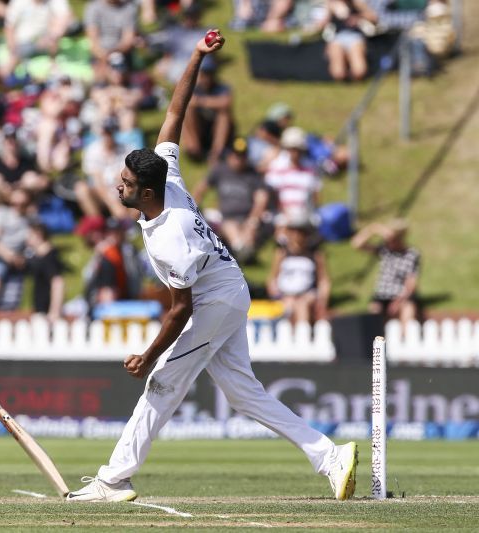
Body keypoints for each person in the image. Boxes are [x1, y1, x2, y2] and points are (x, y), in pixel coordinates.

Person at [66, 30, 358, 503]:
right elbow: (175, 113)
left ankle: (113, 479)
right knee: (244, 395)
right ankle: (330, 456)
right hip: (228, 290)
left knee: (163, 383)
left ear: (145, 192)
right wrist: (197, 54)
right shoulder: (167, 176)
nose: (116, 187)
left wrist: (149, 354)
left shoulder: (172, 234)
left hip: (213, 302)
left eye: (124, 183)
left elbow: (180, 310)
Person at [192, 137, 270, 263]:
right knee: (229, 225)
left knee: (250, 229)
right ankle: (241, 248)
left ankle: (243, 250)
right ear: (230, 155)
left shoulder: (253, 174)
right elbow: (200, 189)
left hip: (246, 218)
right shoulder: (220, 170)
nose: (239, 159)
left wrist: (253, 219)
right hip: (223, 217)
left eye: (242, 156)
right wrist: (193, 207)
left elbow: (261, 198)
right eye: (236, 155)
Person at [350, 219, 420, 327]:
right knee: (374, 317)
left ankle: (404, 341)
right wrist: (373, 228)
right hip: (382, 295)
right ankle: (378, 343)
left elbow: (411, 283)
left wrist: (398, 302)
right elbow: (356, 244)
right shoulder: (385, 250)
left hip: (400, 295)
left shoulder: (411, 254)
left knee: (408, 310)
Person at [266, 218, 330, 324]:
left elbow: (323, 280)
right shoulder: (281, 253)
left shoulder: (315, 255)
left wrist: (322, 301)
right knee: (289, 305)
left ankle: (302, 333)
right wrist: (278, 296)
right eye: (292, 231)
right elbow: (272, 279)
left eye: (299, 232)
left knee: (301, 305)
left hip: (308, 294)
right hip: (285, 295)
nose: (295, 235)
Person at [318, 0, 378, 81]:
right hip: (337, 38)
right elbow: (321, 24)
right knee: (337, 73)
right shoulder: (331, 4)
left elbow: (373, 17)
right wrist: (330, 12)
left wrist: (358, 17)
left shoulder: (357, 3)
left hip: (355, 37)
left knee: (359, 72)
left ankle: (352, 74)